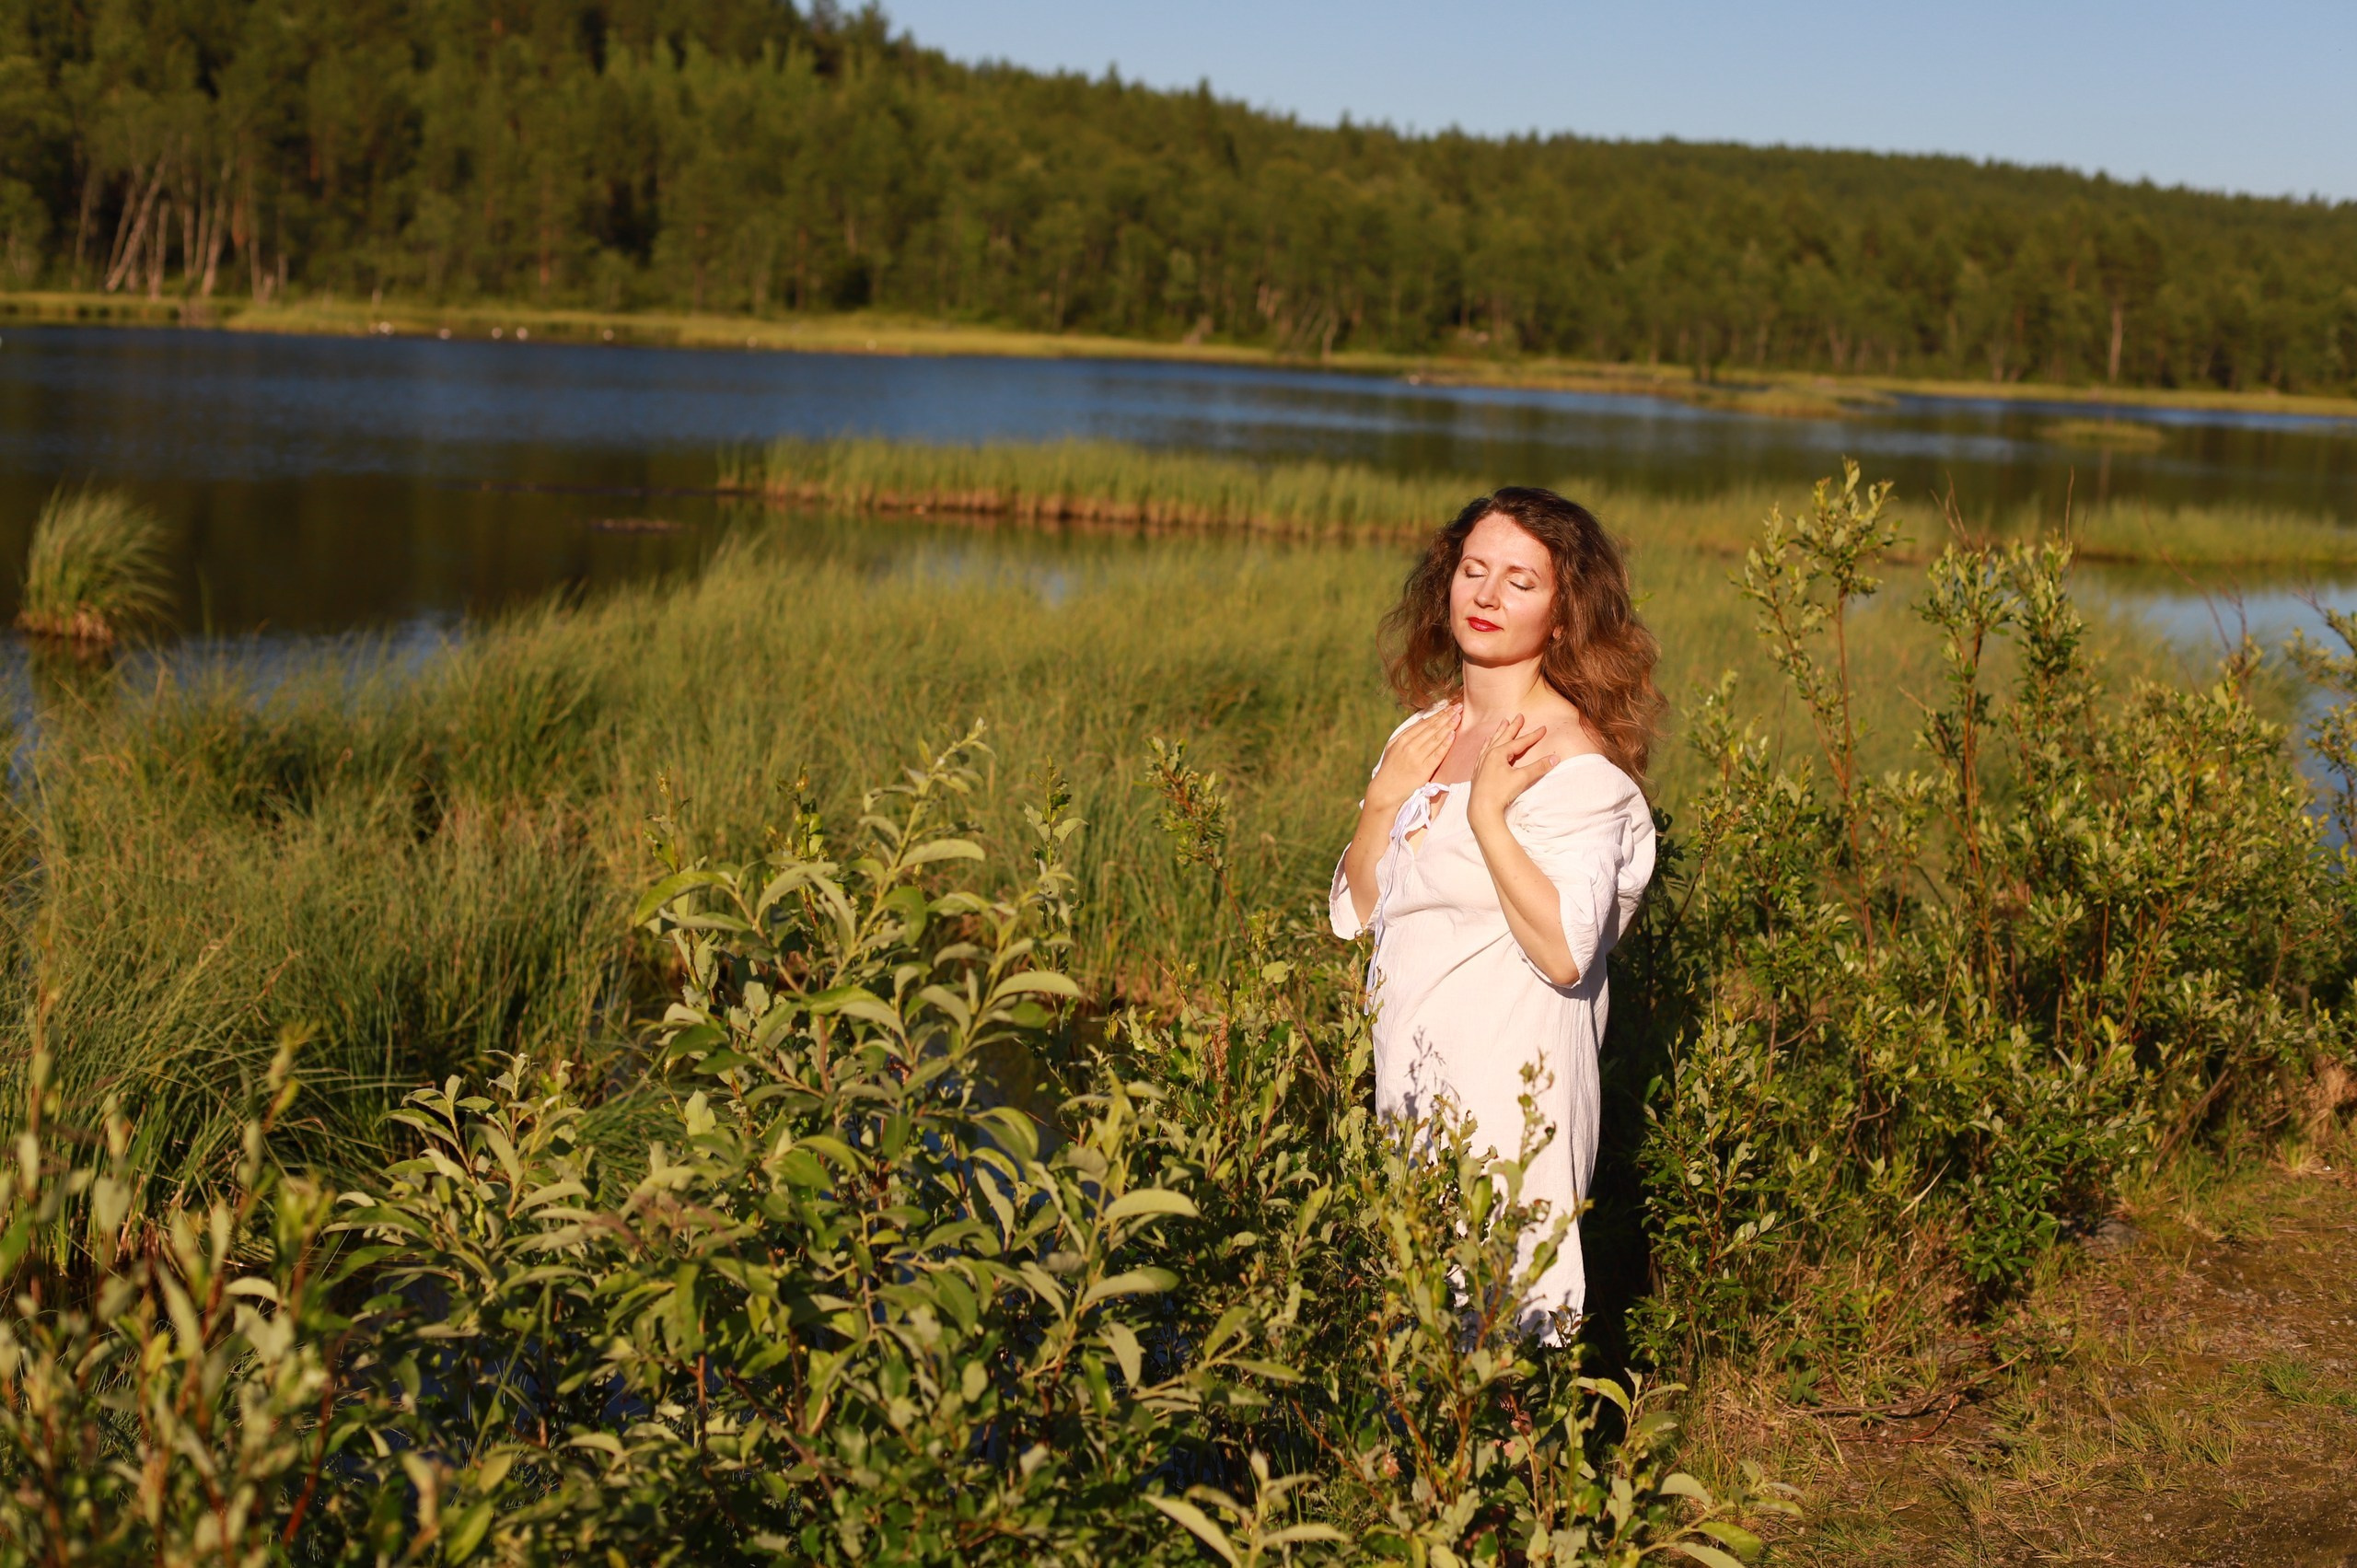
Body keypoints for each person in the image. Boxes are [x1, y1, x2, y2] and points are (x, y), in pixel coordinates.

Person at [1329, 486, 1663, 1337]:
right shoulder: (1424, 736)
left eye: (1520, 581)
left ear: (1563, 614)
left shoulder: (1573, 763)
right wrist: (1384, 799)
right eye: (1473, 570)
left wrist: (1486, 815)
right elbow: (1358, 912)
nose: (1486, 595)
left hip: (1509, 1096)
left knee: (1498, 1336)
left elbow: (1565, 951)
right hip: (1411, 1081)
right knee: (1412, 1335)